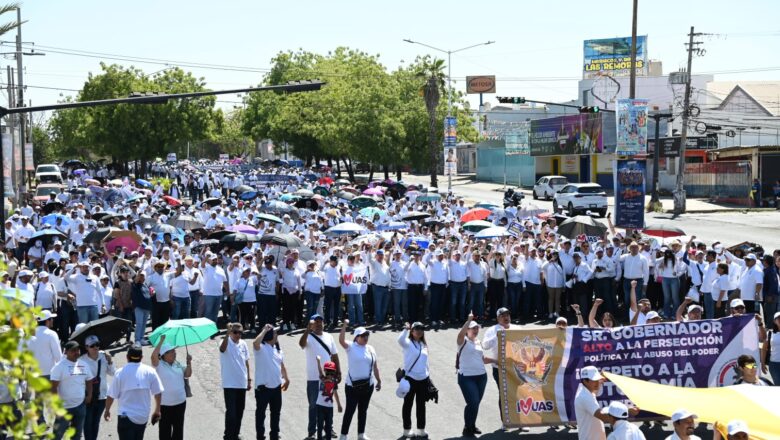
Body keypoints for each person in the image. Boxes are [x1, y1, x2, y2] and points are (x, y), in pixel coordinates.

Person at [104, 344, 164, 440]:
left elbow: (111, 395)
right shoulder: (150, 371)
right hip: (142, 417)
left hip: (125, 417)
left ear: (127, 357)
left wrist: (107, 410)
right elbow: (158, 392)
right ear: (142, 357)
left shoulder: (120, 372)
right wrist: (157, 410)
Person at [299, 314, 341, 440]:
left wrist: (338, 372)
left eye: (320, 322)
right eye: (315, 322)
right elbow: (301, 344)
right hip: (313, 377)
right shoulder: (309, 337)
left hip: (329, 377)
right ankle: (312, 432)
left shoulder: (329, 336)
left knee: (328, 403)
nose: (318, 324)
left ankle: (329, 428)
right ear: (311, 324)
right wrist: (307, 330)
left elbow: (334, 355)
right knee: (313, 405)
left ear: (323, 323)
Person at [338, 321, 380, 440]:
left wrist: (379, 380)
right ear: (356, 337)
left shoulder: (371, 348)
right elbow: (341, 340)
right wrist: (344, 326)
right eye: (363, 335)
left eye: (367, 335)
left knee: (363, 410)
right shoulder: (351, 346)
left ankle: (361, 434)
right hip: (352, 386)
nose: (366, 337)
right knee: (350, 411)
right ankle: (343, 435)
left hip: (368, 385)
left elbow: (375, 366)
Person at [252, 324, 290, 440]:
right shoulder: (261, 348)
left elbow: (281, 365)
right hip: (263, 388)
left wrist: (287, 379)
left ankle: (274, 435)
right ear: (269, 335)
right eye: (274, 333)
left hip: (276, 387)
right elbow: (255, 343)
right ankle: (260, 436)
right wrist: (264, 331)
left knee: (276, 413)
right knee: (261, 414)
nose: (276, 335)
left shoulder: (277, 349)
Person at [51, 340, 95, 440]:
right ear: (66, 352)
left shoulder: (84, 364)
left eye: (78, 350)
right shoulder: (59, 367)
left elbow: (89, 380)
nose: (77, 352)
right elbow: (53, 387)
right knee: (57, 435)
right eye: (73, 350)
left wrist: (89, 395)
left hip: (80, 406)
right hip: (64, 408)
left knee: (76, 435)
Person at [151, 335, 192, 440]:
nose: (175, 353)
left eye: (174, 351)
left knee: (178, 430)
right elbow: (153, 357)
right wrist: (161, 341)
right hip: (165, 405)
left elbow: (187, 374)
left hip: (180, 402)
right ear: (164, 354)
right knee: (165, 431)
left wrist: (189, 363)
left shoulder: (177, 363)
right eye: (172, 351)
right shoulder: (159, 365)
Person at [456, 313, 487, 437]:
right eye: (473, 328)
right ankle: (467, 427)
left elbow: (482, 358)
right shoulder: (462, 341)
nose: (475, 330)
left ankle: (471, 425)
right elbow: (460, 334)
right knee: (473, 402)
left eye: (476, 328)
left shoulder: (478, 342)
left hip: (481, 377)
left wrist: (496, 361)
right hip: (466, 377)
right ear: (467, 330)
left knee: (475, 403)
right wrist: (468, 320)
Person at [397, 321, 430, 439]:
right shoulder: (407, 343)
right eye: (417, 328)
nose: (420, 331)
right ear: (412, 331)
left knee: (421, 405)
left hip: (423, 379)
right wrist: (405, 329)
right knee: (408, 404)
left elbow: (426, 362)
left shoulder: (423, 344)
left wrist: (428, 377)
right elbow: (400, 340)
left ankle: (421, 429)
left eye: (422, 328)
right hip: (410, 379)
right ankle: (407, 430)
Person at [219, 322, 250, 440]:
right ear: (231, 332)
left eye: (240, 333)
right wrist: (226, 335)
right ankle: (228, 435)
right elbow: (222, 349)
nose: (238, 335)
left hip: (241, 383)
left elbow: (247, 362)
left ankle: (236, 434)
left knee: (240, 411)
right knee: (231, 412)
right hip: (229, 384)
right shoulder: (225, 342)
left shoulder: (243, 344)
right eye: (235, 332)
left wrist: (249, 380)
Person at [81, 335, 115, 440]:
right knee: (87, 423)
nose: (96, 347)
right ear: (86, 347)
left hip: (102, 395)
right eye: (92, 346)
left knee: (95, 422)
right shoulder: (81, 360)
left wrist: (110, 362)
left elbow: (113, 373)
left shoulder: (104, 356)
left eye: (97, 345)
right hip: (88, 396)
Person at [28, 310, 62, 380]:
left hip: (34, 373)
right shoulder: (51, 334)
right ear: (47, 321)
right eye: (51, 319)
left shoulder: (30, 334)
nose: (53, 320)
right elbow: (58, 356)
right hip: (49, 373)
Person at [316, 358, 342, 440]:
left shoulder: (334, 382)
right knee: (319, 425)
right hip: (320, 405)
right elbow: (320, 370)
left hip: (329, 407)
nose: (330, 374)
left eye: (331, 372)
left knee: (328, 426)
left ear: (334, 373)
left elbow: (335, 393)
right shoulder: (322, 378)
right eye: (328, 371)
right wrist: (318, 361)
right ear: (325, 371)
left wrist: (339, 404)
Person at [761, 311, 780, 385]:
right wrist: (762, 364)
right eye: (779, 318)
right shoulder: (769, 333)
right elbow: (764, 349)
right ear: (774, 321)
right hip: (774, 365)